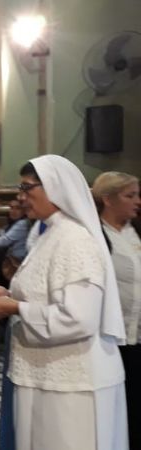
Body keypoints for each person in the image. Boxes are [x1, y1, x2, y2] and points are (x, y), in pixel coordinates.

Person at [0, 155, 128, 450]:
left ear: (55, 187)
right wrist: (6, 297)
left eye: (27, 187)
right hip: (43, 374)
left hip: (72, 384)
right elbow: (42, 293)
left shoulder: (76, 240)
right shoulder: (50, 234)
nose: (20, 196)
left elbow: (79, 319)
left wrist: (16, 308)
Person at [93, 171, 141, 450]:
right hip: (112, 340)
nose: (137, 201)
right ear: (108, 199)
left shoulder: (137, 230)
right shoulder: (96, 236)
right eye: (130, 195)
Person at [0, 198, 31, 286]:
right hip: (11, 261)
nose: (13, 211)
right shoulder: (11, 224)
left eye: (17, 208)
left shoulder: (22, 223)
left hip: (17, 262)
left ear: (24, 210)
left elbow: (2, 241)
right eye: (12, 208)